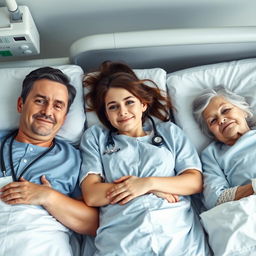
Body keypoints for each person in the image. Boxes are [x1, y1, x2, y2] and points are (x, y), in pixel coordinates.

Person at [79, 61, 210, 255]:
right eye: (113, 106)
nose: (122, 111)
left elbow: (194, 182)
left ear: (143, 103)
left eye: (129, 102)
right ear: (106, 114)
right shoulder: (96, 138)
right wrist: (148, 187)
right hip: (123, 240)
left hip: (176, 237)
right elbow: (91, 194)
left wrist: (148, 184)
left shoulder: (170, 133)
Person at [0, 67, 98, 256]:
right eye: (39, 101)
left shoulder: (75, 158)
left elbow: (93, 223)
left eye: (57, 106)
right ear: (21, 105)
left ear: (64, 117)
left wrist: (48, 197)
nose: (47, 111)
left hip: (40, 243)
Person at [192, 85, 256, 210]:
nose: (221, 120)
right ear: (212, 133)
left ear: (243, 110)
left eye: (225, 110)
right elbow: (215, 199)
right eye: (213, 121)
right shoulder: (212, 154)